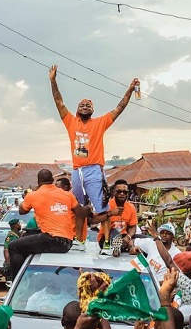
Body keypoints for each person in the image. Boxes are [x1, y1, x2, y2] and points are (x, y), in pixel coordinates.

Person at [49, 64, 139, 254]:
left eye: (89, 105)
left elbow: (119, 108)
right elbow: (59, 101)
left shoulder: (100, 123)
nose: (85, 106)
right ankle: (80, 242)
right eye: (82, 104)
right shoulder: (70, 121)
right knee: (79, 209)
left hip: (94, 170)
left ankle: (106, 244)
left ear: (92, 110)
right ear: (77, 109)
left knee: (102, 209)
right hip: (77, 171)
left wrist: (130, 90)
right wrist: (53, 81)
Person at [7, 169, 87, 278]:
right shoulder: (67, 195)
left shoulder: (34, 195)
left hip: (52, 239)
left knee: (13, 247)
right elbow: (80, 213)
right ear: (52, 180)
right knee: (28, 239)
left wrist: (30, 195)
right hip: (67, 242)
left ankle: (18, 279)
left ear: (38, 182)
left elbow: (22, 211)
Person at [96, 179, 138, 256]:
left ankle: (123, 247)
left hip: (123, 238)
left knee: (147, 239)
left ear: (128, 193)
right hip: (106, 239)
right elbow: (94, 221)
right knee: (115, 231)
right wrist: (111, 213)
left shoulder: (131, 207)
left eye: (125, 192)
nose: (122, 194)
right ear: (114, 192)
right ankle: (114, 247)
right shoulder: (106, 205)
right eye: (119, 191)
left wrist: (128, 237)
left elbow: (133, 227)